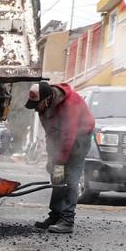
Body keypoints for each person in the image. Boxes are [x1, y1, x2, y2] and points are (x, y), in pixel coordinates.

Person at [26, 81, 95, 235]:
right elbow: (51, 134)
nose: (36, 109)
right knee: (57, 176)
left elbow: (68, 136)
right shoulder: (44, 108)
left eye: (37, 105)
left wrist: (60, 160)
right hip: (62, 138)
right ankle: (56, 215)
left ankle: (67, 220)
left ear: (47, 99)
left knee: (70, 178)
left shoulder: (70, 104)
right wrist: (52, 158)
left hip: (79, 139)